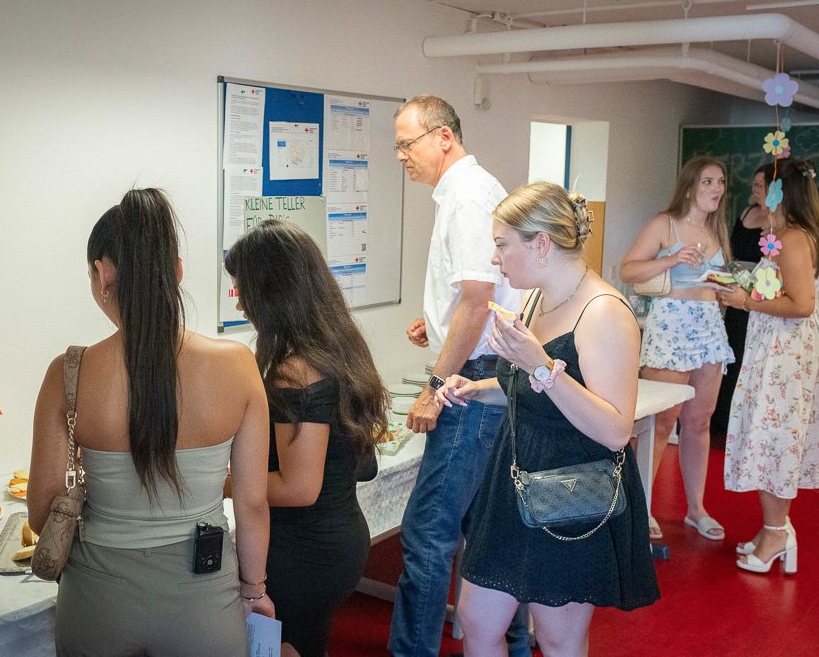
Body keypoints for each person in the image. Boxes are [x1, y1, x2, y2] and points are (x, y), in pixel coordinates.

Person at [29, 189, 273, 656]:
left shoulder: (67, 374)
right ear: (177, 271)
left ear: (103, 272)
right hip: (204, 596)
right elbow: (252, 504)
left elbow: (42, 513)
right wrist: (254, 590)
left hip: (96, 602)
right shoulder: (238, 365)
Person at [436, 182, 660, 657]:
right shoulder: (537, 299)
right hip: (515, 476)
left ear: (540, 243)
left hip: (570, 487)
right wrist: (477, 389)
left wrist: (541, 367)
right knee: (475, 620)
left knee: (558, 639)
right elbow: (529, 391)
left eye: (502, 244)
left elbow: (615, 430)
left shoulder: (605, 312)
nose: (495, 258)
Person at [389, 95, 529, 657]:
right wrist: (437, 322)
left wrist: (433, 387)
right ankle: (515, 644)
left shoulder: (467, 196)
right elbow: (473, 298)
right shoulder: (469, 190)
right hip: (486, 367)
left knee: (428, 533)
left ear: (443, 137)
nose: (401, 156)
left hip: (471, 382)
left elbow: (477, 299)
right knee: (487, 531)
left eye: (407, 143)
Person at [224, 219, 389, 657]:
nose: (239, 302)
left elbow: (298, 488)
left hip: (305, 552)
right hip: (335, 539)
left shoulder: (294, 370)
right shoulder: (337, 346)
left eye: (242, 289)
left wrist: (221, 482)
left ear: (271, 291)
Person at [620, 155, 733, 541]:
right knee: (661, 421)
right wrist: (671, 259)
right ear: (689, 188)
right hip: (671, 325)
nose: (716, 188)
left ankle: (696, 509)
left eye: (720, 182)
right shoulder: (664, 223)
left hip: (709, 327)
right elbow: (628, 269)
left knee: (699, 422)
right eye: (708, 181)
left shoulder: (717, 229)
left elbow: (719, 282)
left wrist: (730, 287)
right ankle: (641, 506)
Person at [718, 159, 819, 574]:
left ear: (782, 193)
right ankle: (774, 528)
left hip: (785, 357)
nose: (757, 193)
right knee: (766, 437)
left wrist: (745, 302)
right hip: (775, 351)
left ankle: (777, 533)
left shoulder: (793, 239)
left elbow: (802, 304)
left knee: (774, 439)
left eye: (764, 187)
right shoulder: (783, 235)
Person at [711, 163, 772, 435]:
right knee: (734, 354)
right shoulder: (747, 212)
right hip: (737, 293)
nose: (756, 189)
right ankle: (724, 422)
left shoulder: (778, 222)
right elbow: (733, 252)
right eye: (754, 185)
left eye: (761, 185)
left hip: (761, 297)